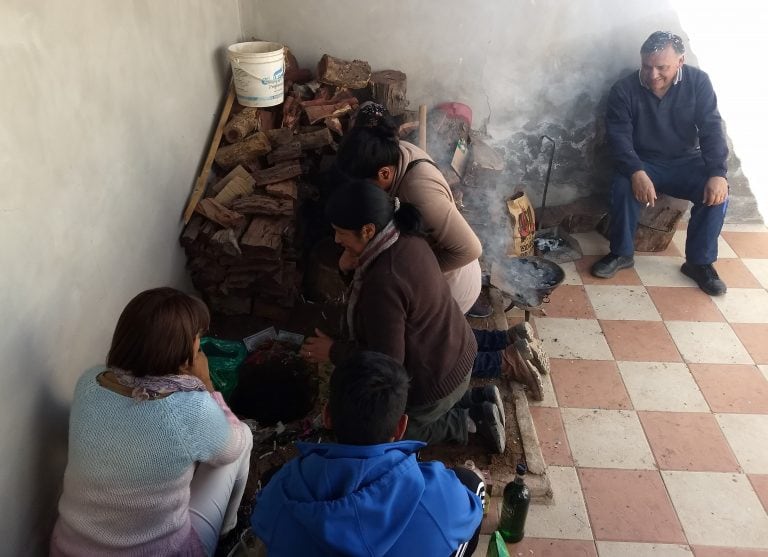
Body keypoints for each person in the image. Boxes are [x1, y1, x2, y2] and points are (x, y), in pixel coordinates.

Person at [301, 180, 508, 452]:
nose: (337, 241)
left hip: (437, 380)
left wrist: (333, 351)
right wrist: (348, 266)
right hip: (459, 356)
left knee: (373, 433)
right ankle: (476, 399)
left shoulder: (383, 281)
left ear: (367, 230)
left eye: (341, 234)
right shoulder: (404, 235)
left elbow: (386, 365)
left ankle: (467, 422)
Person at [50, 287, 253, 557]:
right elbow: (233, 447)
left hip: (67, 550)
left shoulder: (89, 381)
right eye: (197, 338)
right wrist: (205, 383)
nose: (198, 344)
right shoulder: (189, 409)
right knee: (243, 436)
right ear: (182, 350)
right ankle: (226, 532)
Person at [251, 351, 485, 556]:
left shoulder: (281, 490)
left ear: (327, 415)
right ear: (401, 427)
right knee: (472, 483)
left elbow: (262, 523)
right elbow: (470, 514)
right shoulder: (437, 492)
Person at [592, 31, 729, 295]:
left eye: (661, 67)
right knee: (623, 185)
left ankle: (699, 263)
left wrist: (717, 173)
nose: (653, 75)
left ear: (680, 61)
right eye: (647, 66)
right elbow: (618, 137)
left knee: (717, 195)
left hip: (687, 161)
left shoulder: (699, 82)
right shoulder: (624, 89)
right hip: (644, 162)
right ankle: (621, 254)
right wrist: (636, 171)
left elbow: (711, 128)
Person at [336, 103, 489, 317]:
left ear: (385, 174)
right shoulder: (391, 152)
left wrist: (409, 274)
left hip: (450, 291)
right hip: (419, 267)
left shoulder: (419, 192)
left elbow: (470, 249)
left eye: (363, 184)